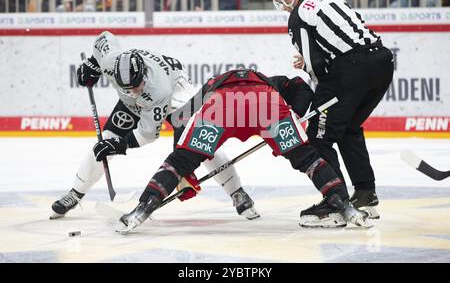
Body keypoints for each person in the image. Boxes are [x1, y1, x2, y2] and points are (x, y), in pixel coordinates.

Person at [111, 68, 371, 234]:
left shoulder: (210, 86)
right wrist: (296, 116)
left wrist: (184, 175)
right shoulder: (272, 81)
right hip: (265, 102)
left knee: (178, 161)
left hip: (220, 106)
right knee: (307, 157)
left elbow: (181, 126)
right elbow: (300, 87)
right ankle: (343, 205)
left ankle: (141, 210)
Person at [50, 31, 259, 221]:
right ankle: (75, 193)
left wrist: (120, 145)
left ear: (144, 74)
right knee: (104, 143)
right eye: (127, 88)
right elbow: (104, 37)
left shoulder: (159, 90)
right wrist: (93, 63)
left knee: (200, 142)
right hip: (135, 105)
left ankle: (237, 192)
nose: (134, 91)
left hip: (178, 95)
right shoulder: (110, 61)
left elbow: (148, 134)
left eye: (137, 85)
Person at [269, 0, 394, 223]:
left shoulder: (298, 16)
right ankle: (365, 194)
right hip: (382, 62)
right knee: (349, 127)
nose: (281, 5)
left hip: (350, 70)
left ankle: (337, 202)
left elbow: (317, 67)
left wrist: (316, 98)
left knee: (317, 136)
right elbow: (349, 35)